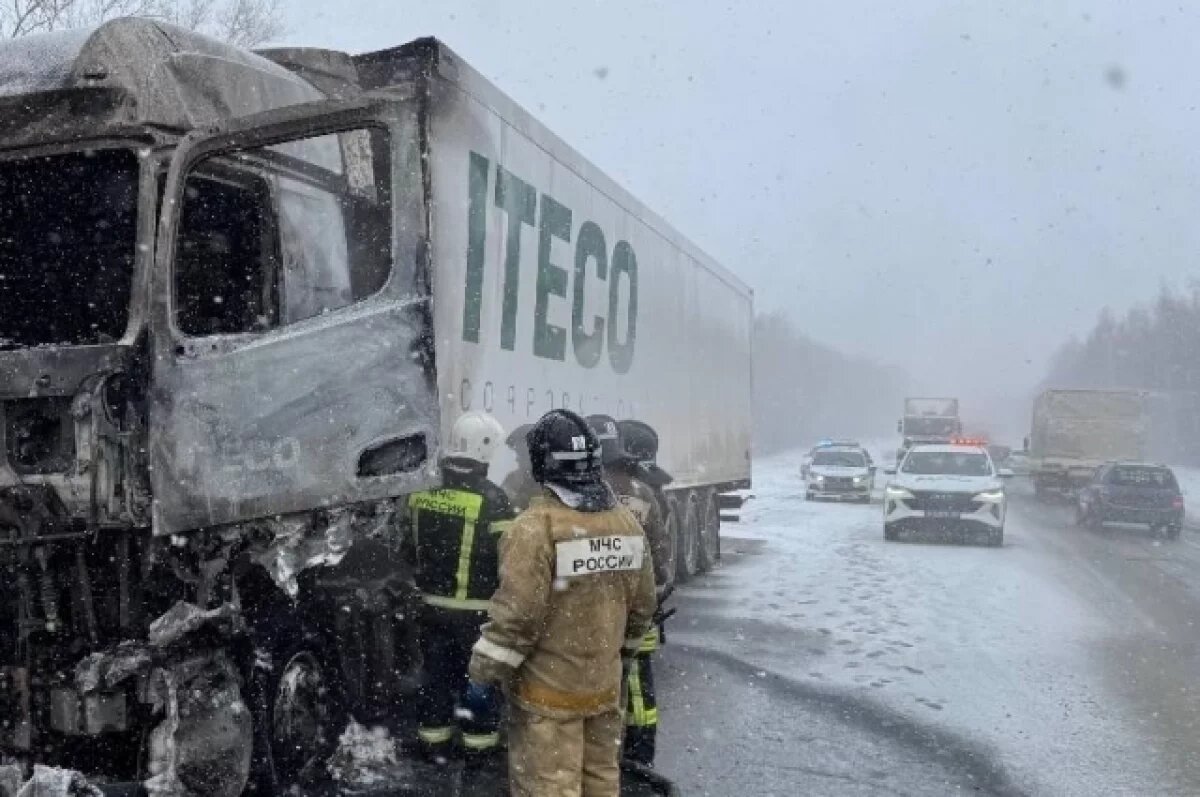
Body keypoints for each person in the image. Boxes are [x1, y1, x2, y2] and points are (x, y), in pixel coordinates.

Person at [468, 408, 657, 796]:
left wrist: (483, 674)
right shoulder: (626, 523)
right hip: (603, 691)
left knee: (549, 786)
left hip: (546, 699)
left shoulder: (535, 528)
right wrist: (618, 657)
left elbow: (518, 618)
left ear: (541, 464)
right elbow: (642, 607)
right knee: (600, 781)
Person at [402, 410, 515, 760]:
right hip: (476, 613)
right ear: (484, 449)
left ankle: (433, 741)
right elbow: (509, 560)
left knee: (435, 677)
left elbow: (406, 547)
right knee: (478, 681)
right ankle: (478, 748)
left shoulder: (421, 491)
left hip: (429, 608)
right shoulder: (493, 500)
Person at [592, 416, 671, 767]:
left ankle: (602, 751)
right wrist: (650, 601)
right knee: (638, 683)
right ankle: (639, 755)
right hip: (638, 610)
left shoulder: (578, 495)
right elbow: (661, 561)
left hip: (593, 613)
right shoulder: (643, 493)